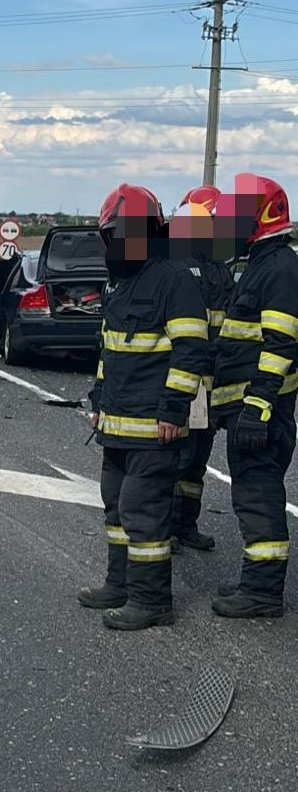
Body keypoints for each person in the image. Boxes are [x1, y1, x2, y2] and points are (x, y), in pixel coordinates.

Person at [79, 183, 210, 631]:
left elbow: (191, 350)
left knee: (143, 511)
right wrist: (98, 401)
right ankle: (119, 583)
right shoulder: (121, 283)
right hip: (117, 423)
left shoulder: (174, 279)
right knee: (115, 505)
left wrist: (173, 411)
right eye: (116, 234)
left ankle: (152, 601)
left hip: (154, 429)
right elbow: (110, 351)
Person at [210, 173, 298, 618]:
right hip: (251, 406)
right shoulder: (262, 264)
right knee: (250, 491)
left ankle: (262, 593)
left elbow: (281, 343)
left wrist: (258, 405)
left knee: (258, 494)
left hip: (262, 408)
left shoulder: (279, 268)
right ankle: (255, 580)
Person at [165, 187, 235, 553]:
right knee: (173, 458)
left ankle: (185, 524)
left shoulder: (217, 265)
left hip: (210, 381)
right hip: (184, 379)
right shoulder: (175, 263)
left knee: (196, 460)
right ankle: (163, 528)